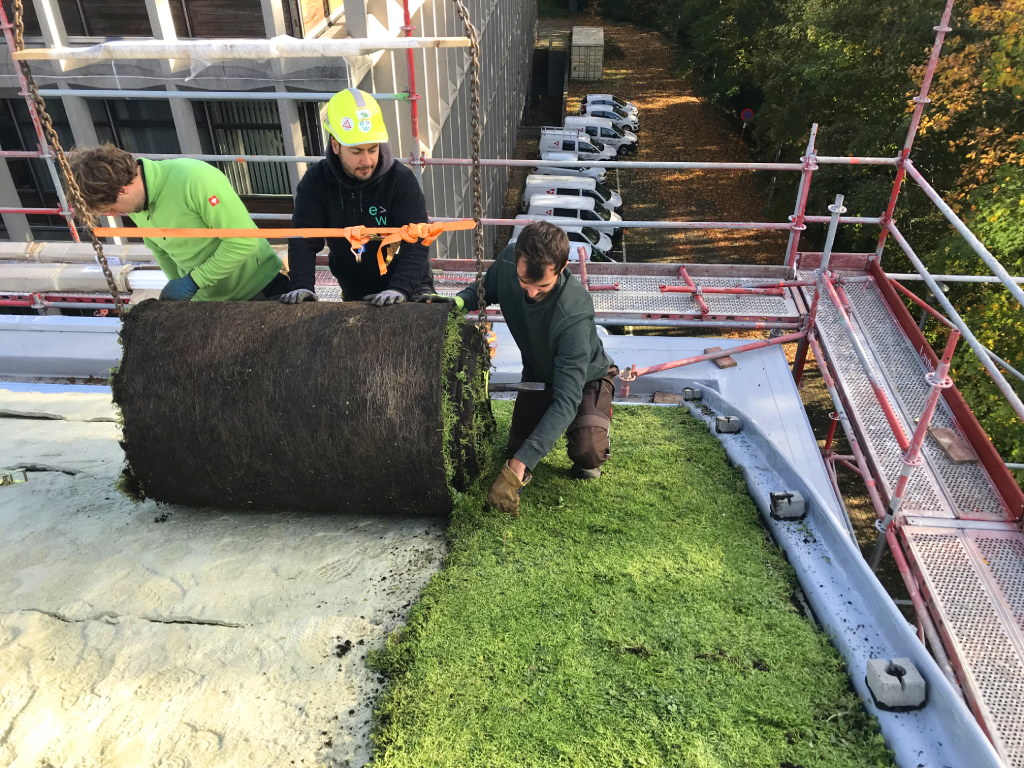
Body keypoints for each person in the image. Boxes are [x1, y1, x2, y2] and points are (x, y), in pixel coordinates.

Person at [453, 221, 618, 517]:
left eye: (542, 286)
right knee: (516, 447)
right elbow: (484, 289)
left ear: (562, 266)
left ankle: (595, 421)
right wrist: (457, 303)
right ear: (517, 260)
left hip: (584, 381)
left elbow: (566, 400)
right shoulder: (509, 259)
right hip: (538, 373)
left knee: (586, 453)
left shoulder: (574, 312)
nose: (530, 293)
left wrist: (517, 471)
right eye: (523, 282)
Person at [68, 144, 287, 302]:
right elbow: (160, 248)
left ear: (122, 189)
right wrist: (179, 286)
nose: (114, 215)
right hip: (209, 302)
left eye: (111, 209)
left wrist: (192, 282)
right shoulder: (137, 202)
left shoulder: (195, 179)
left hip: (260, 290)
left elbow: (243, 243)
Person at [280, 88, 434, 307]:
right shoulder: (316, 183)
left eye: (373, 149)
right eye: (356, 152)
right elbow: (304, 239)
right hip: (353, 289)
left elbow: (416, 241)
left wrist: (400, 288)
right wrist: (301, 285)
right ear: (335, 145)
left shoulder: (400, 180)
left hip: (409, 286)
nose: (367, 160)